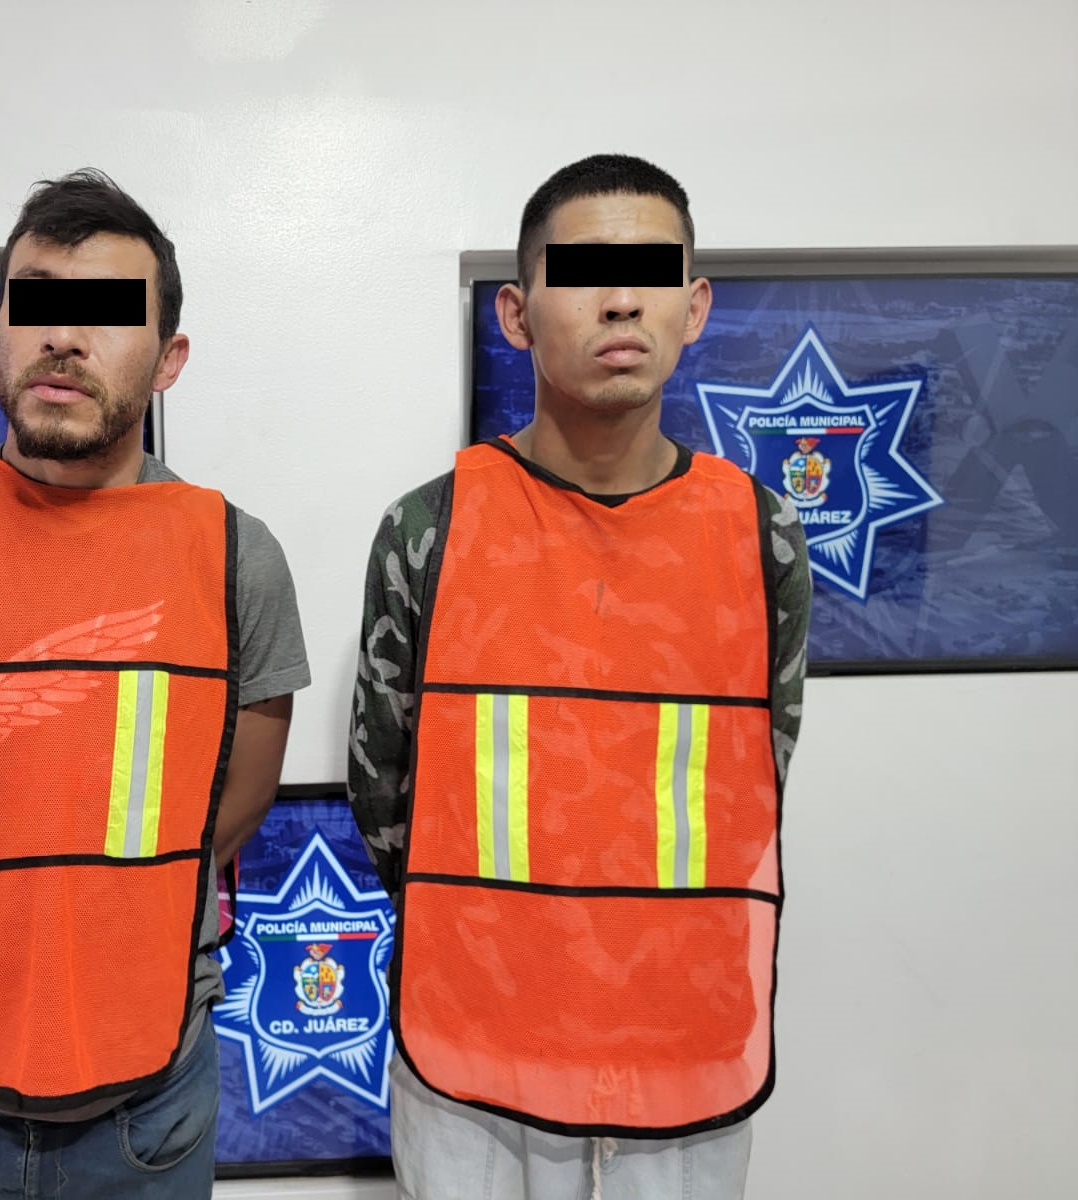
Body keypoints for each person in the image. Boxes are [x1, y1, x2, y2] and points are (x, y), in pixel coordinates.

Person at [0, 168, 310, 1199]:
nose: (65, 339)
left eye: (108, 313)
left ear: (168, 359)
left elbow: (229, 811)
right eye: (36, 304)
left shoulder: (235, 559)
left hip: (150, 1107)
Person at [347, 153, 812, 1200]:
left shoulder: (761, 531)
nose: (620, 303)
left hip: (685, 1051)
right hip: (472, 1064)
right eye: (583, 275)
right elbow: (385, 797)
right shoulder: (430, 527)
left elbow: (756, 776)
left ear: (695, 307)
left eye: (650, 275)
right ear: (515, 314)